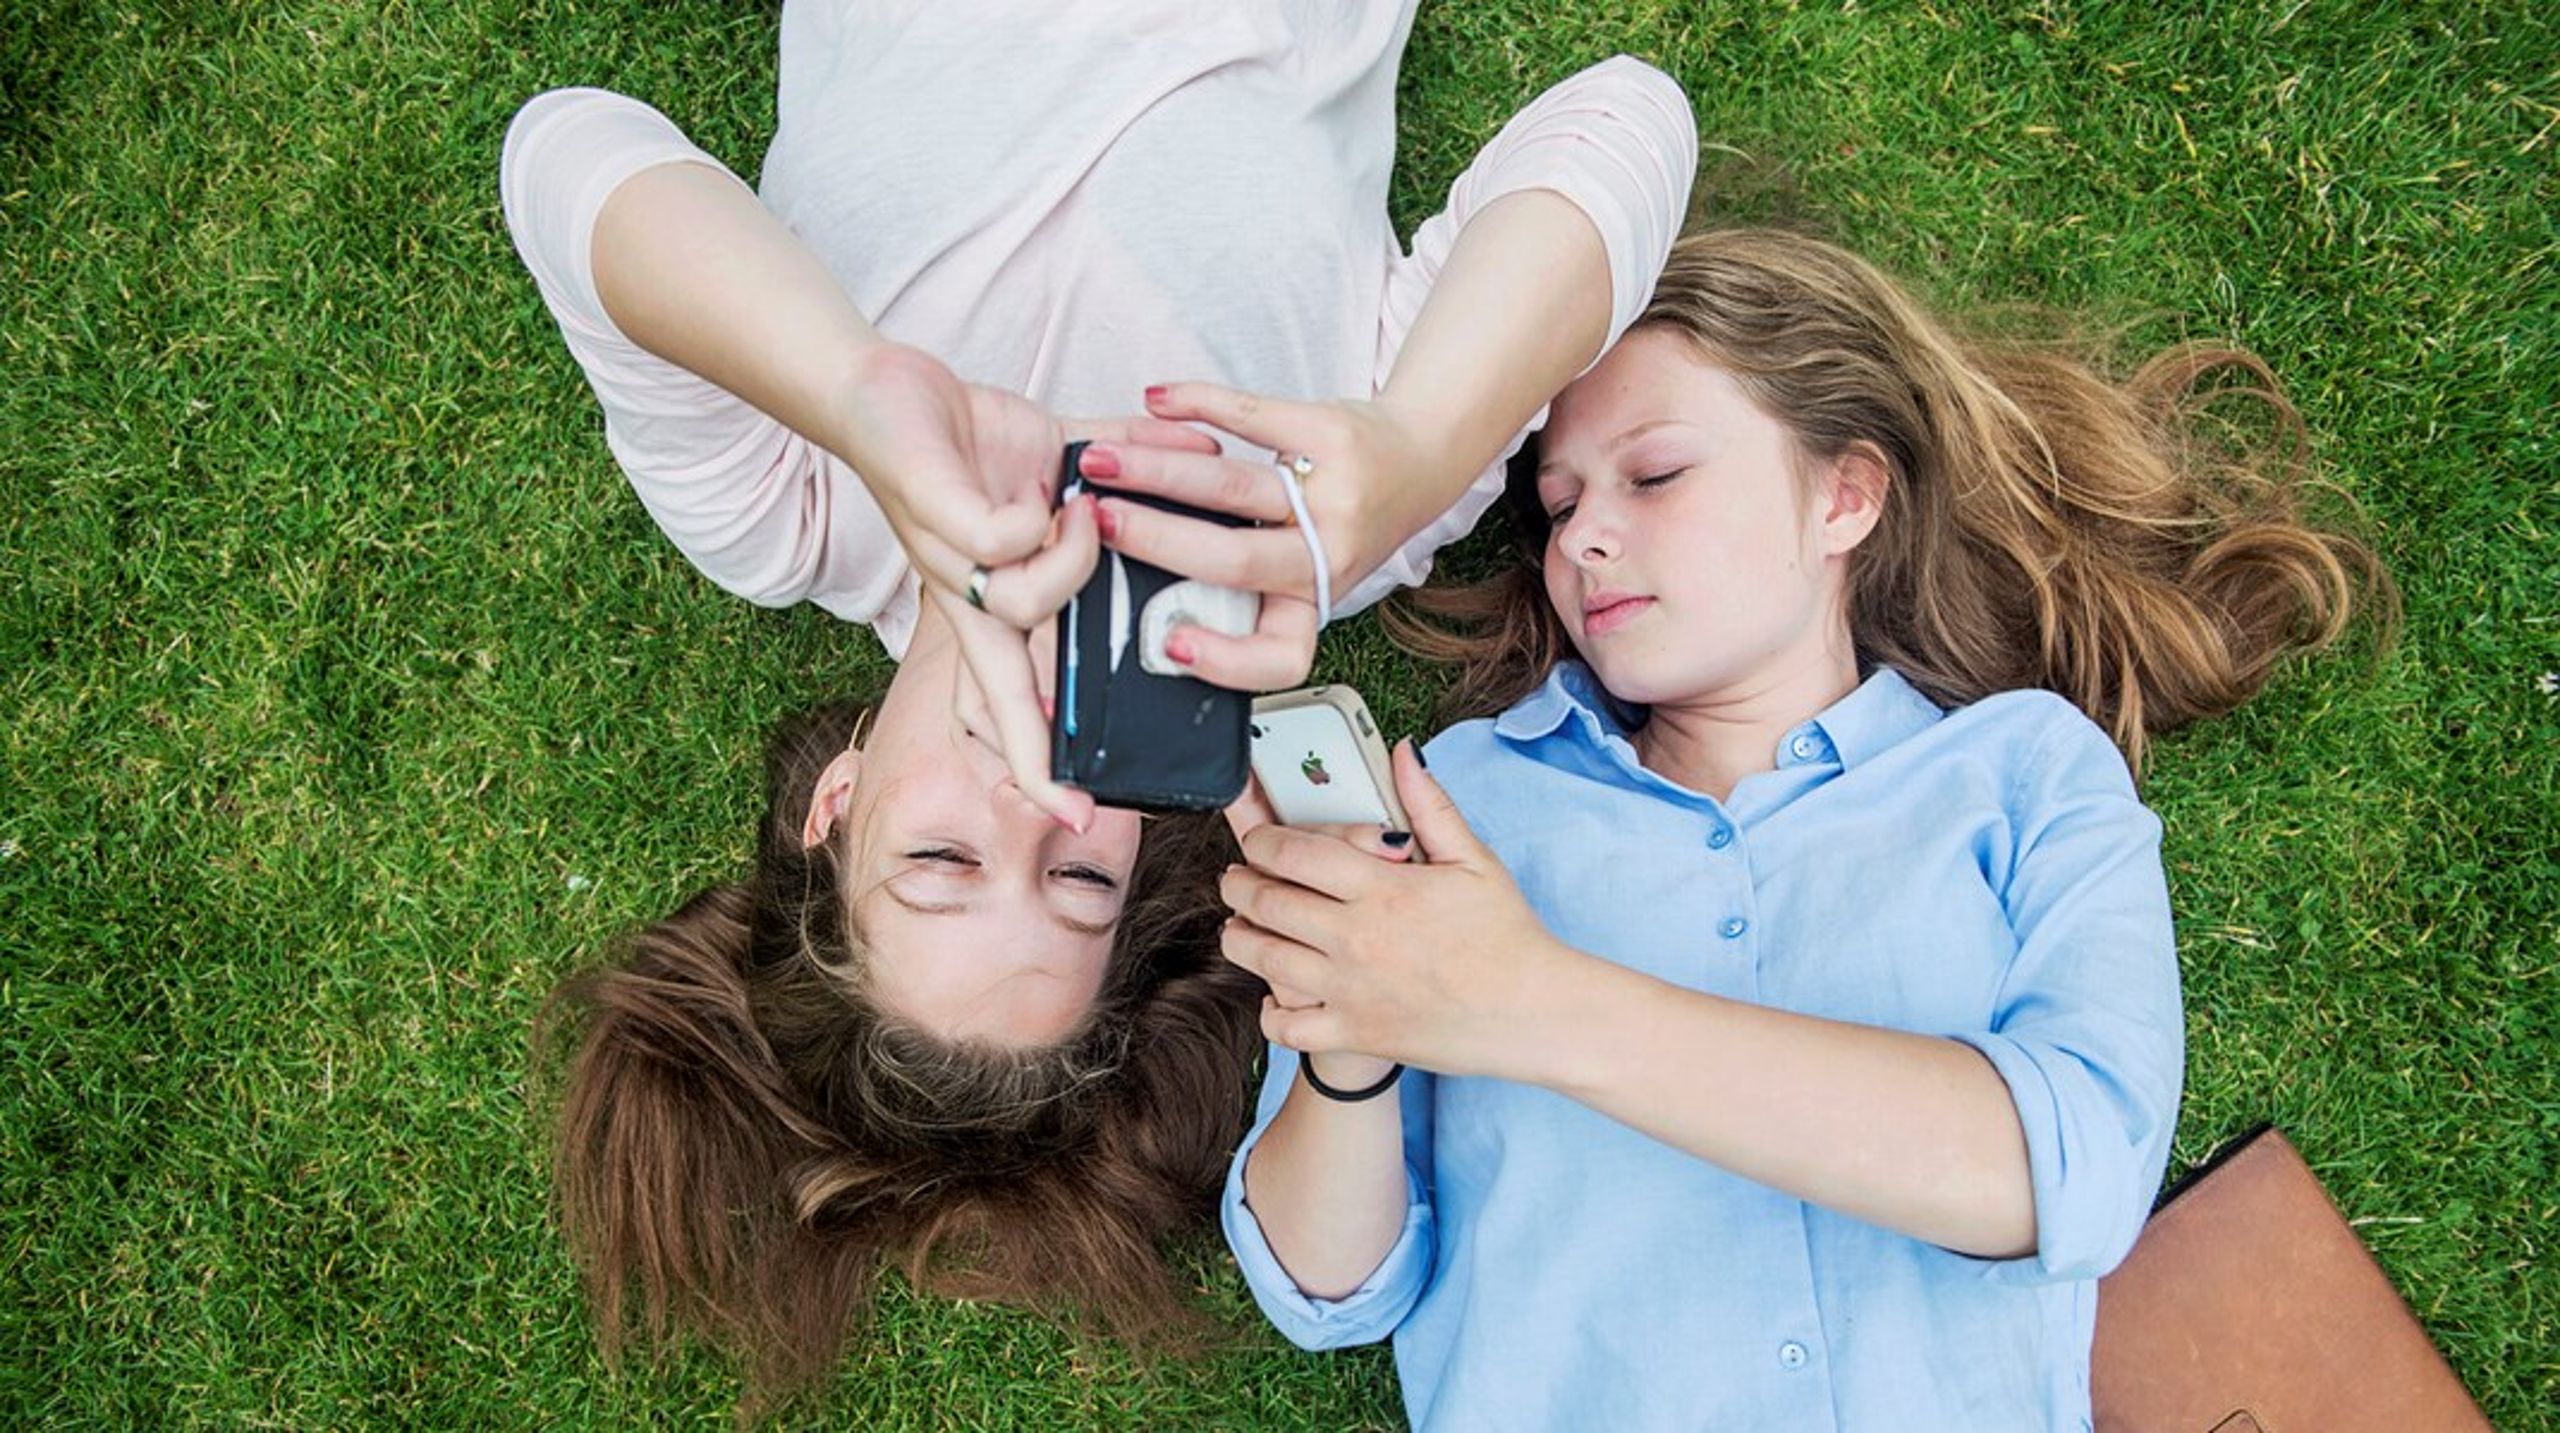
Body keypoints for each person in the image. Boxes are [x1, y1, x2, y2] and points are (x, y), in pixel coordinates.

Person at [500, 1, 1696, 1403]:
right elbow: (1627, 117)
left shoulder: (797, 509)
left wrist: (861, 387)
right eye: (1073, 874)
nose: (1036, 800)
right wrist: (1415, 446)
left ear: (835, 807)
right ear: (1139, 839)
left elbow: (565, 151)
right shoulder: (1315, 525)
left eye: (943, 858)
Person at [1215, 228, 2390, 1430]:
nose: (1581, 538)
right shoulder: (1467, 795)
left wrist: (1518, 997)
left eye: (1655, 474)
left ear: (1844, 494)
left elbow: (2067, 1171)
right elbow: (1325, 1287)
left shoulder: (2020, 773)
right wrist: (1346, 1048)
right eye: (1558, 505)